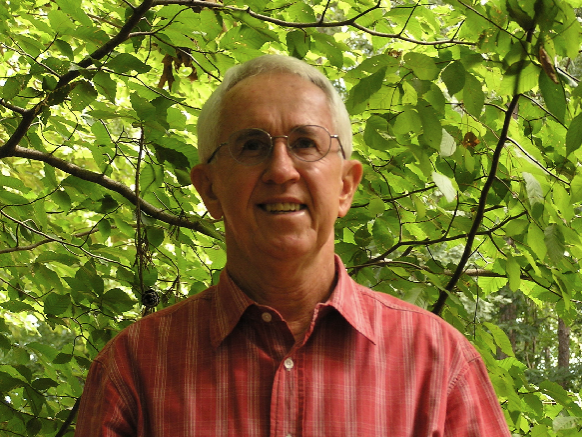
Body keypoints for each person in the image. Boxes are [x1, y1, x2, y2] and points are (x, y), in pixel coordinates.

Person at [74, 54, 511, 436]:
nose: (281, 169)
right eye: (251, 145)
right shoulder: (135, 368)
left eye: (305, 143)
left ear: (345, 187)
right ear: (209, 190)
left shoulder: (439, 366)